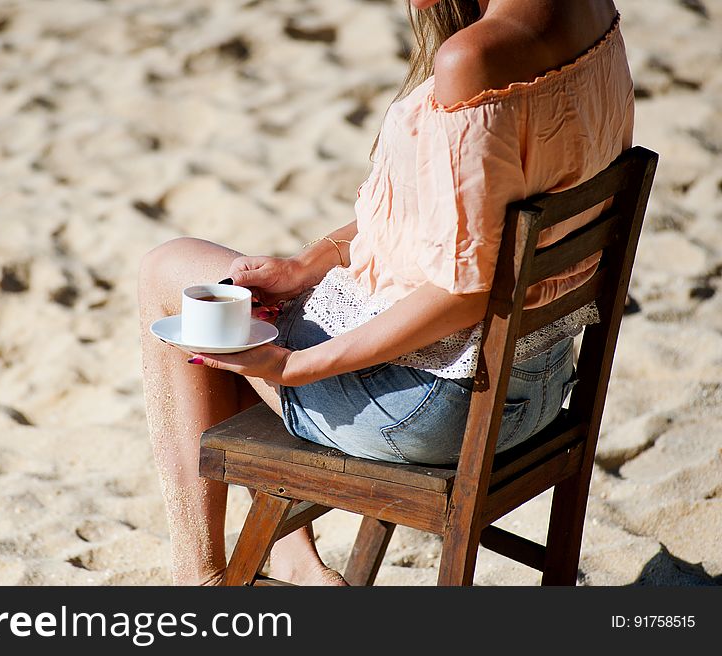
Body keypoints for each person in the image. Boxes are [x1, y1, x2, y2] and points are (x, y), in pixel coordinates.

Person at [137, 0, 633, 585]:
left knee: (169, 275)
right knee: (241, 306)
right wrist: (306, 265)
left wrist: (295, 366)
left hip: (441, 408)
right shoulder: (589, 10)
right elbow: (473, 234)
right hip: (542, 390)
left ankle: (199, 577)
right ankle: (296, 562)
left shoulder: (472, 59)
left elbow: (465, 291)